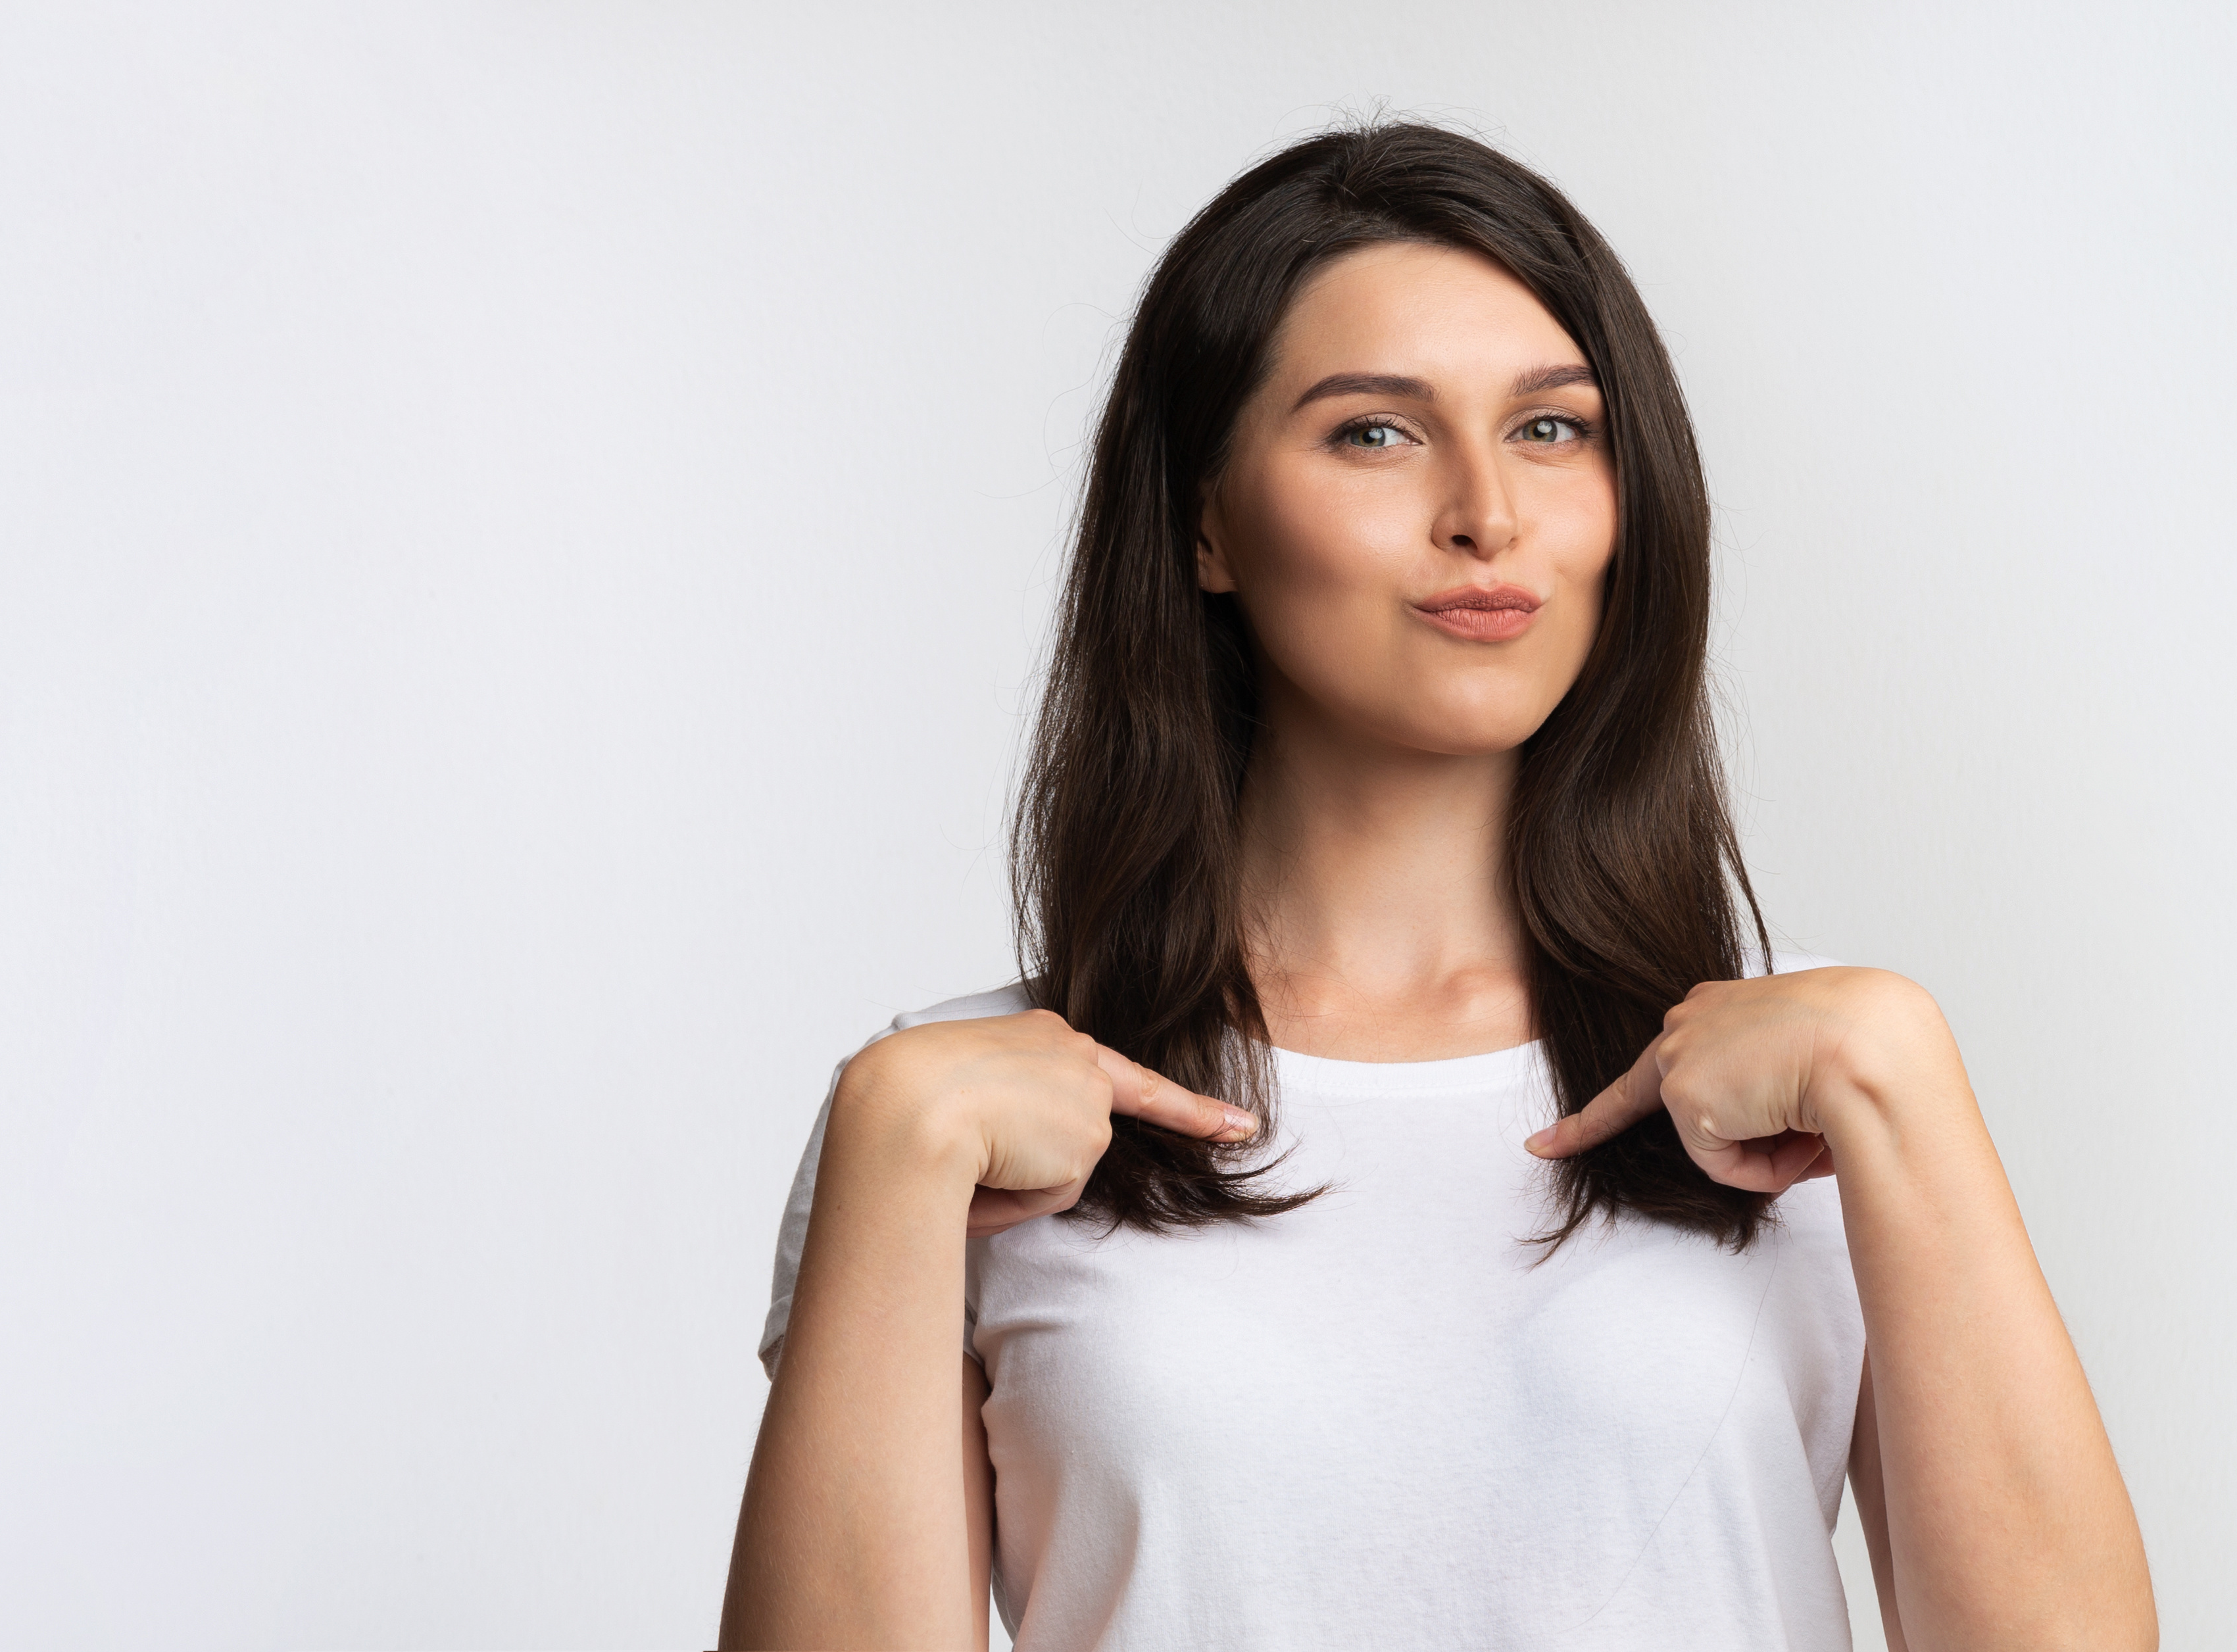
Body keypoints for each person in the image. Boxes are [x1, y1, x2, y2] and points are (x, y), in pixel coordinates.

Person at [718, 121, 2154, 1651]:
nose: (1489, 511)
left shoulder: (1815, 1098)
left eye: (1551, 429)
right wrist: (890, 1148)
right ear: (1204, 521)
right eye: (1375, 434)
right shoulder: (950, 1118)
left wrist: (1896, 1074)